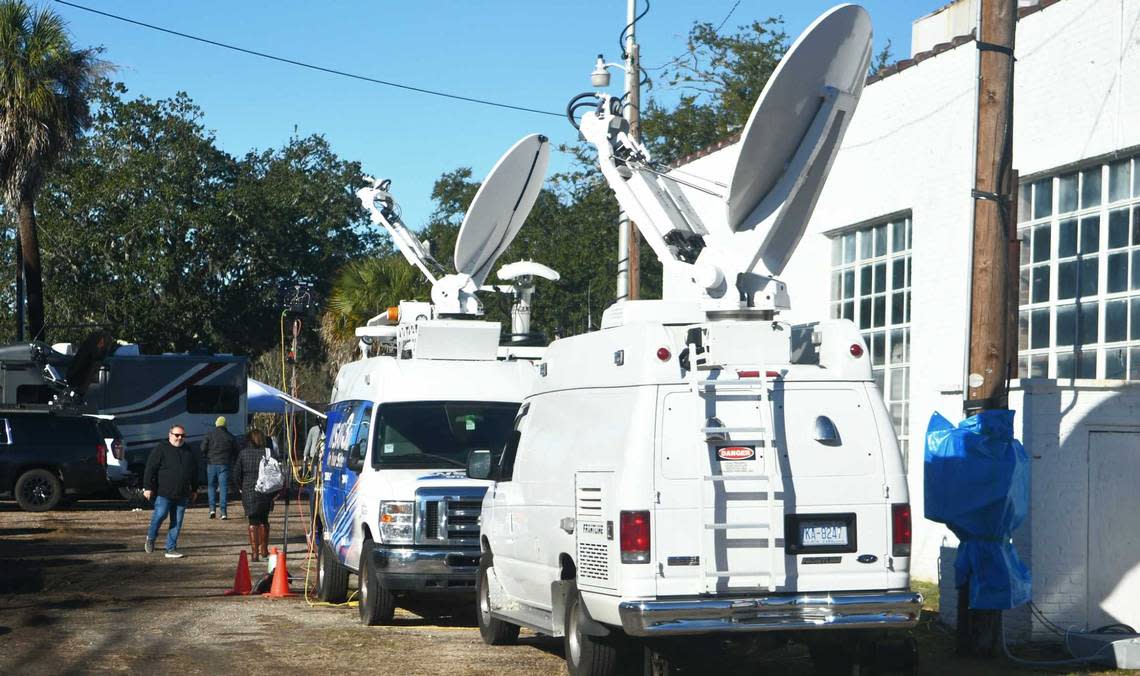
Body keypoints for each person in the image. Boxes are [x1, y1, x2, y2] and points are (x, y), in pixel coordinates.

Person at [143, 424, 199, 558]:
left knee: (177, 521)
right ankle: (151, 537)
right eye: (177, 435)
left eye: (182, 436)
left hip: (182, 494)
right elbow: (150, 469)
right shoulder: (161, 449)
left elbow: (194, 472)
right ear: (170, 435)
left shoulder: (188, 451)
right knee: (160, 515)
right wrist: (148, 487)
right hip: (164, 492)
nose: (179, 438)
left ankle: (171, 548)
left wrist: (195, 489)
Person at [232, 428, 276, 562]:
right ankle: (264, 550)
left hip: (249, 490)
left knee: (253, 520)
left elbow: (236, 474)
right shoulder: (268, 453)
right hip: (266, 490)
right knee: (264, 520)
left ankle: (255, 553)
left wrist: (240, 487)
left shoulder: (243, 454)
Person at [201, 415, 239, 520]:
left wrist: (206, 458)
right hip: (225, 465)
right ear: (225, 425)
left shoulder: (209, 435)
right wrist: (232, 461)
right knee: (223, 488)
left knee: (211, 487)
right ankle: (223, 512)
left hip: (211, 464)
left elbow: (203, 448)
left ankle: (212, 509)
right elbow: (236, 452)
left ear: (216, 424)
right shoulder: (230, 436)